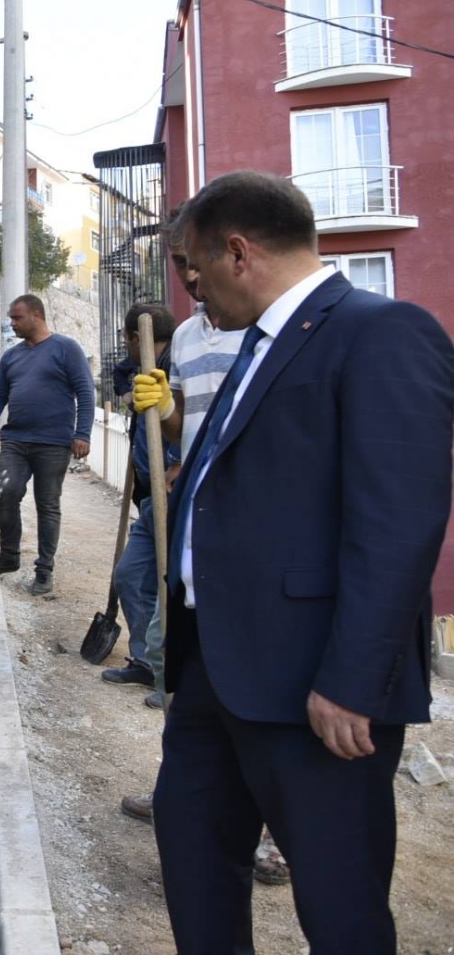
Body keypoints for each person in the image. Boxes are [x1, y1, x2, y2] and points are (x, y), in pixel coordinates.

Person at [149, 171, 454, 952]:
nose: (191, 292)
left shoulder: (382, 332)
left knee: (338, 900)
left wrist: (352, 681)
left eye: (194, 267)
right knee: (194, 863)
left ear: (239, 252)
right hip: (218, 669)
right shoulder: (259, 343)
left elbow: (397, 524)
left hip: (314, 687)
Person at [120, 215, 289, 889]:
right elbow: (188, 424)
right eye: (179, 264)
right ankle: (187, 793)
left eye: (194, 261)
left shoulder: (274, 331)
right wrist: (163, 409)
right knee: (180, 670)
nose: (188, 277)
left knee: (264, 691)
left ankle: (274, 834)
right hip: (192, 529)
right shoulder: (188, 335)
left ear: (235, 253)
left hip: (258, 534)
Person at [0, 294, 95, 594]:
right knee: (7, 494)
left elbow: (86, 392)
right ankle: (8, 557)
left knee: (47, 505)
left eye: (17, 318)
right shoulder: (11, 357)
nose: (12, 324)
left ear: (36, 315)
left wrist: (82, 433)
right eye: (11, 318)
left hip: (53, 443)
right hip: (15, 441)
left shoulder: (66, 348)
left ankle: (44, 570)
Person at [100, 303, 179, 690]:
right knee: (131, 575)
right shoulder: (141, 366)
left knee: (173, 587)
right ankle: (149, 665)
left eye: (124, 339)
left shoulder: (177, 365)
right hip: (151, 497)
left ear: (134, 337)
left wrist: (178, 463)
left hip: (175, 497)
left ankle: (171, 674)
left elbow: (195, 418)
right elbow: (118, 377)